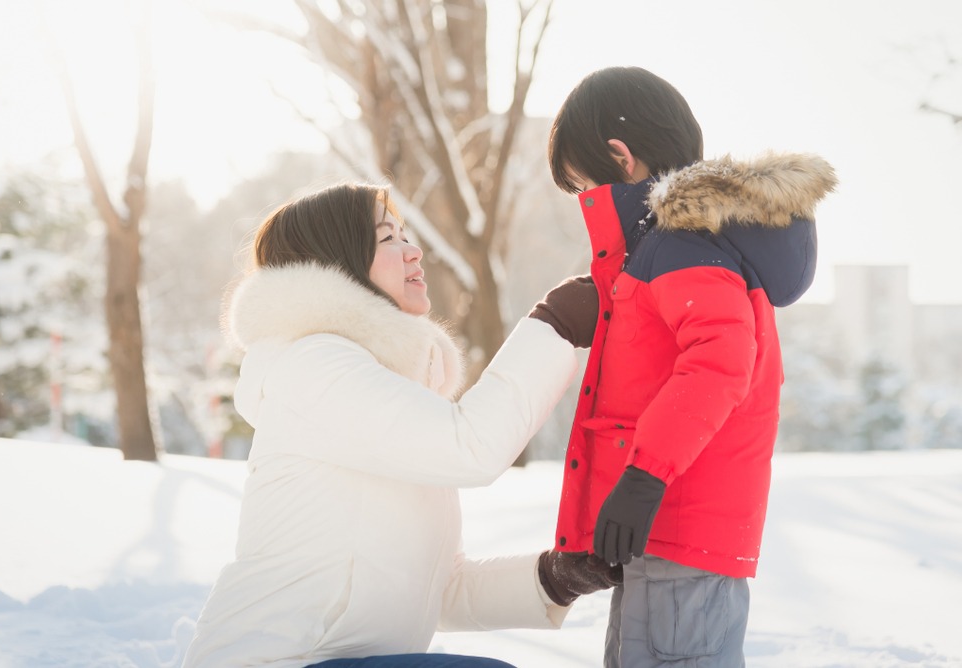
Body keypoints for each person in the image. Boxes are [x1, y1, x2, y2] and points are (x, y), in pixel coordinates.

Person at [182, 182, 621, 668]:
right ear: (340, 261)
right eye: (388, 238)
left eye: (405, 235)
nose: (413, 252)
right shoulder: (314, 367)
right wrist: (554, 324)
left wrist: (554, 578)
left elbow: (440, 587)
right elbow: (470, 448)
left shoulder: (379, 389)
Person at [546, 66, 838, 668]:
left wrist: (644, 476)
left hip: (676, 524)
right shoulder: (677, 244)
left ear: (620, 157)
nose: (584, 203)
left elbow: (720, 363)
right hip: (661, 532)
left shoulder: (680, 244)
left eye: (582, 187)